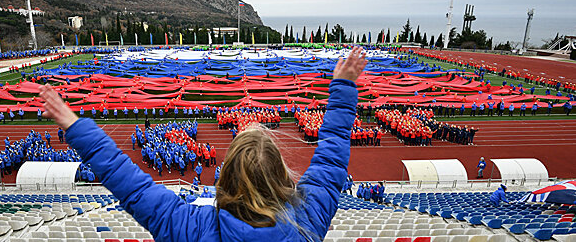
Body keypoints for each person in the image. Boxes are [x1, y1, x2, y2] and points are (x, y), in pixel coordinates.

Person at [38, 47, 367, 242]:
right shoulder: (307, 221)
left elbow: (128, 183)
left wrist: (76, 126)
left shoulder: (189, 228)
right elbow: (331, 159)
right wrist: (342, 89)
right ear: (282, 176)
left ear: (226, 177)